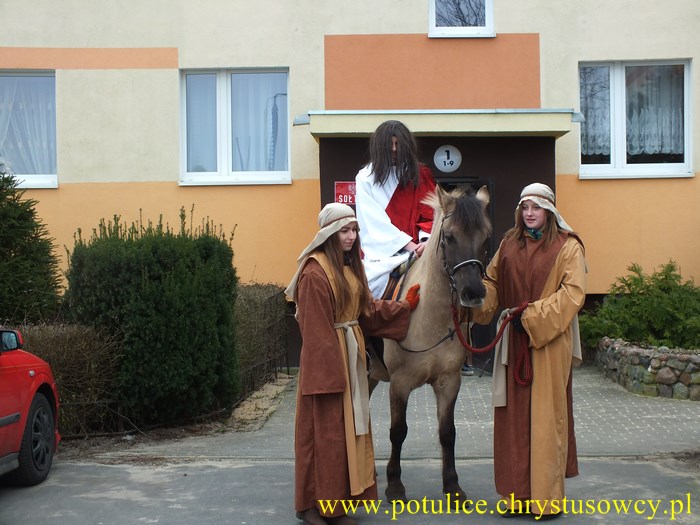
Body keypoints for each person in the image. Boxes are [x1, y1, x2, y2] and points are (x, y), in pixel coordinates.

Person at [285, 202, 420, 525]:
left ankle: (337, 505)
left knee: (346, 435)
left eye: (354, 230)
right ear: (329, 233)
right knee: (324, 436)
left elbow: (367, 312)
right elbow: (315, 332)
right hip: (328, 368)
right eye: (344, 230)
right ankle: (311, 506)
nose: (351, 236)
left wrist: (404, 307)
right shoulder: (314, 273)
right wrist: (329, 379)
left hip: (349, 362)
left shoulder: (349, 266)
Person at [470, 183, 586, 520]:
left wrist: (531, 318)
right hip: (513, 340)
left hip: (549, 341)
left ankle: (546, 500)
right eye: (525, 207)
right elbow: (492, 282)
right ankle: (515, 496)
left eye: (536, 207)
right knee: (513, 419)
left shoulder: (569, 246)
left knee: (546, 418)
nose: (530, 213)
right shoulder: (509, 243)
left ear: (549, 210)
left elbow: (573, 293)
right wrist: (475, 297)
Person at [355, 120, 437, 299]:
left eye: (398, 144)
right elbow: (374, 223)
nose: (394, 149)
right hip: (382, 258)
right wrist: (410, 247)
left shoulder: (421, 174)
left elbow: (430, 212)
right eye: (389, 144)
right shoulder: (365, 178)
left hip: (424, 249)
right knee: (365, 295)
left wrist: (425, 242)